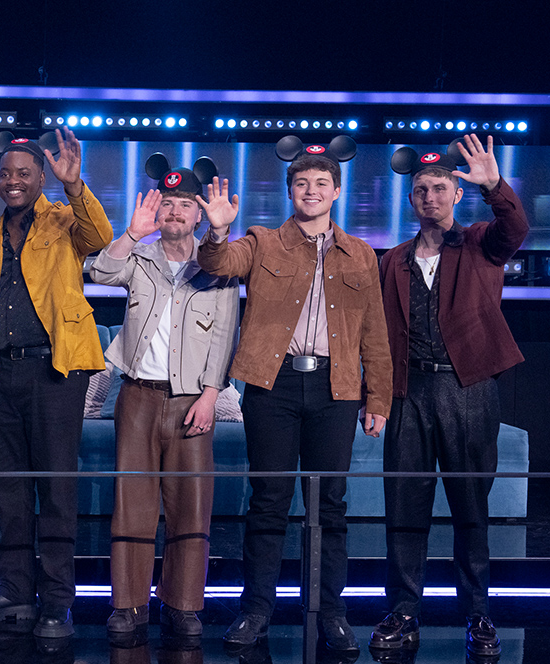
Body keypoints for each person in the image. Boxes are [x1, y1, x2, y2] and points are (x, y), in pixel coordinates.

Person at [195, 136, 392, 653]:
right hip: (274, 385)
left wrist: (378, 399)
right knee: (269, 503)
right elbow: (218, 265)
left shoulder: (361, 254)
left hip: (337, 387)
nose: (311, 190)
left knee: (330, 505)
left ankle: (332, 613)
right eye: (302, 183)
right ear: (290, 191)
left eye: (321, 183)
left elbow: (374, 331)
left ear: (337, 191)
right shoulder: (262, 242)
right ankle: (255, 610)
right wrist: (217, 231)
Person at [369, 135, 527, 658]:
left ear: (456, 196)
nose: (431, 196)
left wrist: (496, 188)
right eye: (421, 190)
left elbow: (516, 230)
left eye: (440, 188)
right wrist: (378, 395)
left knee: (470, 508)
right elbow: (381, 334)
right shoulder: (392, 261)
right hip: (409, 390)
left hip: (467, 389)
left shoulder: (481, 242)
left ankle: (479, 614)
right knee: (404, 505)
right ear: (411, 200)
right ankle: (403, 610)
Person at [0, 127, 113, 639]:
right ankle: (15, 589)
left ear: (40, 177)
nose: (13, 181)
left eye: (23, 173)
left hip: (55, 371)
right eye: (6, 174)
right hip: (5, 374)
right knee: (9, 489)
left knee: (55, 487)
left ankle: (57, 599)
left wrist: (74, 186)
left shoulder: (63, 219)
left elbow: (102, 238)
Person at [89, 156, 239, 637]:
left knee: (190, 503)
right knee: (131, 501)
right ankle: (128, 605)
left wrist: (211, 394)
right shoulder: (139, 256)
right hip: (137, 395)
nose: (174, 212)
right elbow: (101, 274)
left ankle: (182, 604)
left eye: (183, 206)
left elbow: (224, 336)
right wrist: (132, 233)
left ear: (199, 214)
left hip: (192, 399)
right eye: (167, 204)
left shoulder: (216, 265)